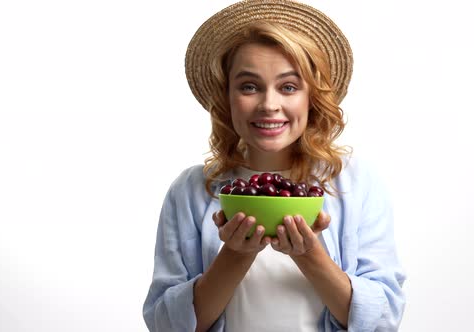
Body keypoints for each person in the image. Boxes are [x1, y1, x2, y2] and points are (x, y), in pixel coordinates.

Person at [143, 1, 406, 331]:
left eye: (289, 87)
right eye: (249, 86)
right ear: (227, 96)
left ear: (312, 97)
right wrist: (236, 255)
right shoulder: (190, 191)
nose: (269, 105)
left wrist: (309, 254)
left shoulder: (356, 183)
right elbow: (166, 325)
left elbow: (383, 321)